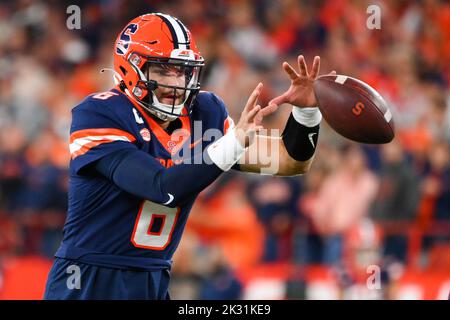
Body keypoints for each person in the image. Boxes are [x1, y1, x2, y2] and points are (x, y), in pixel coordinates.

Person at [44, 13, 326, 299]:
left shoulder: (203, 114)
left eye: (183, 71)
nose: (176, 81)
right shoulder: (101, 113)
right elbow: (162, 188)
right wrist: (235, 142)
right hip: (88, 280)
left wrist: (306, 113)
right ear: (131, 69)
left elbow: (288, 160)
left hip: (153, 280)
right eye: (164, 70)